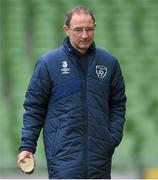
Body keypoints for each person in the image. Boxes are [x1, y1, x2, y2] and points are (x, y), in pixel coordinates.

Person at [17, 6, 126, 179]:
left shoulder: (109, 63)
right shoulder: (48, 63)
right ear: (66, 30)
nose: (84, 35)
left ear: (95, 28)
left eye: (89, 29)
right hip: (62, 157)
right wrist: (27, 146)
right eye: (78, 30)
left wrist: (110, 138)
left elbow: (118, 104)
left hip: (100, 156)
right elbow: (34, 108)